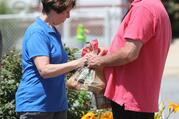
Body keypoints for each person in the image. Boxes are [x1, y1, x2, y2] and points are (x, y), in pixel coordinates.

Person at [87, 0, 172, 119]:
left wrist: (98, 61)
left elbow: (129, 53)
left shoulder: (143, 9)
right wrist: (108, 53)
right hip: (139, 98)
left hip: (130, 97)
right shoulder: (155, 6)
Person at [15, 0, 87, 119]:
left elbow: (60, 67)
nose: (68, 16)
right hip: (36, 106)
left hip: (57, 105)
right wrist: (77, 62)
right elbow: (45, 70)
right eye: (66, 12)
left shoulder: (53, 31)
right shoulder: (37, 32)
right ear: (55, 9)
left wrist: (84, 57)